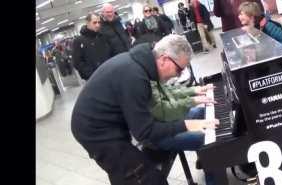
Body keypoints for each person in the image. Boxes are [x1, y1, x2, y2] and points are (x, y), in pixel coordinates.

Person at [71, 34, 219, 185]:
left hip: (107, 123)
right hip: (94, 131)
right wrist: (187, 125)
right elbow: (144, 132)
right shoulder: (135, 76)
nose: (178, 75)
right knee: (142, 178)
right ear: (164, 59)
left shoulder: (143, 65)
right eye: (179, 69)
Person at [72, 13, 113, 81]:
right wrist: (90, 74)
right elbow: (77, 62)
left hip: (110, 74)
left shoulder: (103, 37)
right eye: (94, 23)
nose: (97, 25)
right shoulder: (79, 41)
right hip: (94, 79)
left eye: (99, 22)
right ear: (88, 23)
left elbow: (110, 53)